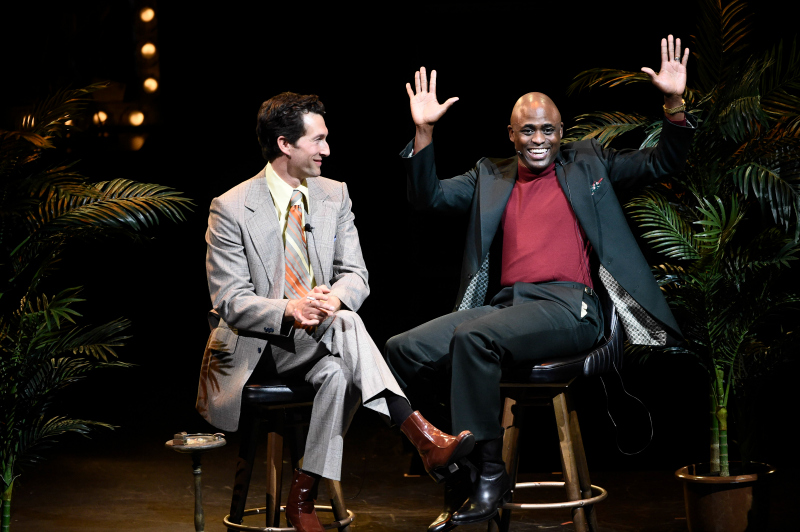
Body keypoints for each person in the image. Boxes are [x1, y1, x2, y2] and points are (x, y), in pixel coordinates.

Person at [385, 35, 696, 530]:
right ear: (511, 135)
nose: (538, 140)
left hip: (573, 308)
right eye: (527, 130)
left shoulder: (589, 161)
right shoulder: (490, 175)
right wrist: (423, 134)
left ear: (561, 132)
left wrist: (674, 103)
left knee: (474, 338)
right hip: (511, 307)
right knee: (401, 348)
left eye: (547, 130)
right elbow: (427, 199)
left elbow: (663, 161)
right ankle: (449, 457)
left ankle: (489, 475)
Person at [196, 92, 475, 532]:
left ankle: (302, 497)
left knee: (339, 368)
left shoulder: (334, 195)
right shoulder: (231, 207)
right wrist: (291, 308)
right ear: (285, 144)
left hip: (323, 337)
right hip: (259, 349)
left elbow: (357, 274)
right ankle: (421, 436)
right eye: (318, 140)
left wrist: (335, 299)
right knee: (346, 328)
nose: (327, 150)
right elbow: (230, 300)